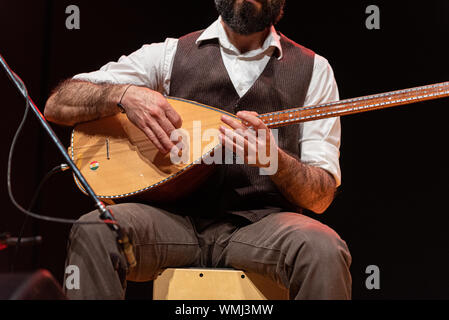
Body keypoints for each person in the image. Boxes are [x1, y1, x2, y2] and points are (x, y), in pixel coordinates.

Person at [44, 0, 351, 299]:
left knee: (322, 248)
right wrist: (124, 94)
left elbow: (320, 197)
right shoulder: (168, 54)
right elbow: (58, 103)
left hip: (262, 229)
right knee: (97, 229)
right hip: (174, 224)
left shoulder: (314, 70)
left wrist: (276, 162)